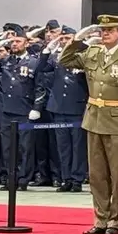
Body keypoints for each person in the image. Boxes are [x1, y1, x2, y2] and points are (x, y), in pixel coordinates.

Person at [58, 15, 118, 234]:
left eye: (110, 30)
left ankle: (116, 221)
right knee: (97, 175)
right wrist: (77, 39)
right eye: (102, 30)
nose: (105, 34)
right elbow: (65, 60)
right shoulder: (92, 53)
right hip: (94, 119)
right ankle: (100, 218)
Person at [0, 24, 40, 190]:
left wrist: (36, 107)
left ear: (26, 43)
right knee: (7, 149)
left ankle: (23, 180)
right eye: (12, 41)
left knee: (25, 148)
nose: (14, 44)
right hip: (6, 111)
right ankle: (10, 179)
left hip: (25, 110)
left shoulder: (34, 62)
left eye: (18, 41)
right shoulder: (5, 61)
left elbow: (39, 86)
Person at [34, 26, 89, 194]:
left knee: (78, 146)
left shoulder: (84, 56)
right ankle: (66, 178)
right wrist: (46, 52)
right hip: (58, 107)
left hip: (77, 107)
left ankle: (77, 179)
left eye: (68, 38)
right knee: (63, 146)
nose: (65, 42)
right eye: (62, 39)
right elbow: (40, 69)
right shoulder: (55, 58)